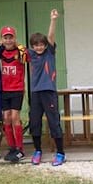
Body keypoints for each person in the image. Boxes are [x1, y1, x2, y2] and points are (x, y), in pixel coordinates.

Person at [28, 9, 66, 166]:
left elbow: (50, 36)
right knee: (34, 122)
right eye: (36, 45)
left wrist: (53, 20)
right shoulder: (30, 54)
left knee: (53, 122)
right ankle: (37, 151)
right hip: (35, 93)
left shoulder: (49, 53)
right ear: (33, 46)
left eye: (41, 45)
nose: (39, 47)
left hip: (49, 92)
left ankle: (60, 153)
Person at [0, 26, 30, 163]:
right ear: (2, 39)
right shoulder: (1, 51)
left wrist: (19, 45)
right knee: (6, 118)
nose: (8, 40)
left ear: (14, 38)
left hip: (17, 88)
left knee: (15, 116)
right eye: (6, 37)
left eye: (11, 37)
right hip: (4, 89)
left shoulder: (20, 51)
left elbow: (28, 57)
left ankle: (20, 149)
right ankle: (11, 147)